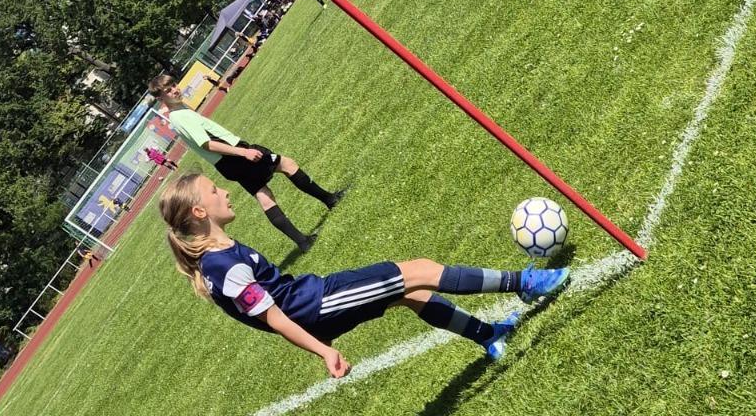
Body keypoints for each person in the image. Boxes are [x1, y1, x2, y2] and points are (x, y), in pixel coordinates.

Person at [160, 173, 571, 374]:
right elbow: (274, 319)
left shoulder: (217, 256)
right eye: (214, 191)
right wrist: (323, 350)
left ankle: (489, 335)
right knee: (418, 271)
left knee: (407, 293)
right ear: (199, 211)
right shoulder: (222, 266)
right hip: (316, 306)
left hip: (315, 296)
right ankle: (524, 284)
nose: (225, 192)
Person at [148, 74, 347, 252]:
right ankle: (330, 200)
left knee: (263, 195)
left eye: (174, 85)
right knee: (286, 164)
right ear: (161, 99)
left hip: (226, 163)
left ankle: (302, 241)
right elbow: (207, 143)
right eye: (168, 91)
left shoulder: (180, 111)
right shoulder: (179, 117)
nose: (175, 90)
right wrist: (243, 151)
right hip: (234, 154)